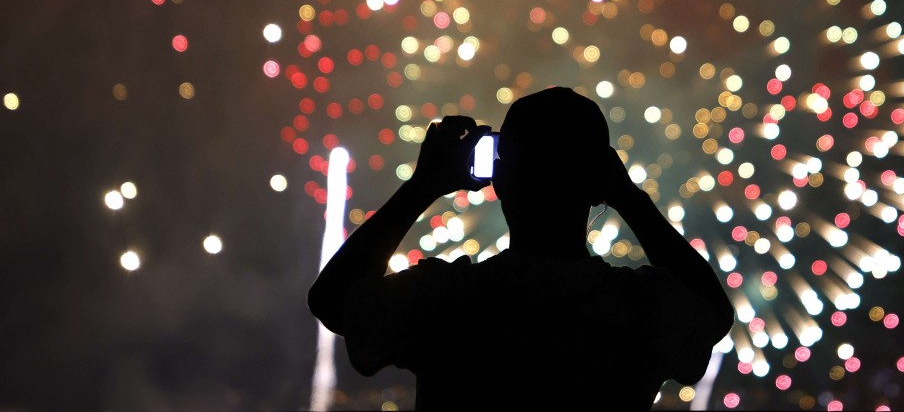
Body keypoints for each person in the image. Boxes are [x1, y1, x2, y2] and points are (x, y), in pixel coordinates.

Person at [308, 86, 735, 409]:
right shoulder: (637, 309)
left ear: (500, 179)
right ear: (596, 181)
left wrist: (424, 185)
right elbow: (713, 314)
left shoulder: (448, 299)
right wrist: (627, 195)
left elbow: (331, 299)